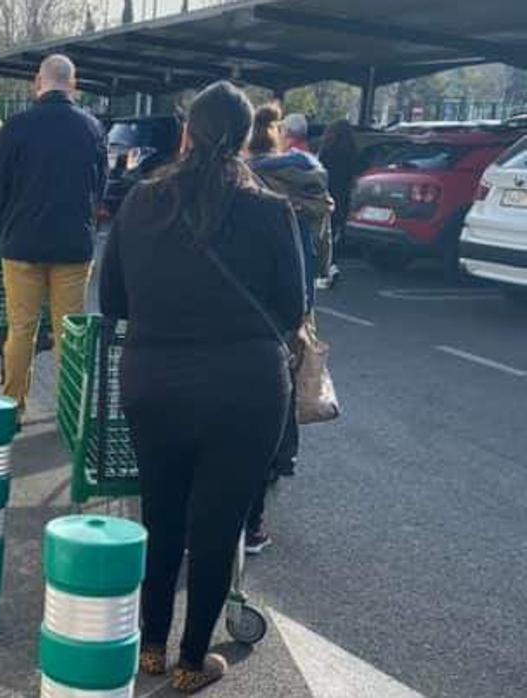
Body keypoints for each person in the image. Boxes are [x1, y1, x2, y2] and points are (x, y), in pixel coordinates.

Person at [100, 81, 306, 693]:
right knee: (218, 528)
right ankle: (194, 661)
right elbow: (292, 308)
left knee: (160, 516)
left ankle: (151, 648)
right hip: (246, 390)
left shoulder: (141, 201)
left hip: (154, 382)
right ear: (245, 139)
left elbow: (113, 302)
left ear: (187, 132)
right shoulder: (272, 210)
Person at [0, 54, 107, 419]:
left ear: (37, 82)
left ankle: (13, 406)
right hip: (73, 244)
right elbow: (99, 189)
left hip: (22, 243)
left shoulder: (16, 127)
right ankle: (70, 414)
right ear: (74, 84)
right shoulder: (92, 128)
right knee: (69, 334)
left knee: (21, 330)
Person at [242, 104, 332, 554]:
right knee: (278, 394)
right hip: (292, 305)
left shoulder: (246, 180)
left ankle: (230, 520)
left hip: (245, 304)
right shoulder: (308, 178)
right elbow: (323, 250)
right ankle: (272, 478)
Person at [318, 119, 360, 287]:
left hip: (327, 195)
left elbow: (320, 172)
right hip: (343, 197)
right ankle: (331, 264)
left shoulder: (327, 150)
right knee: (335, 232)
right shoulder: (352, 152)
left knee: (323, 232)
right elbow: (354, 176)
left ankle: (328, 266)